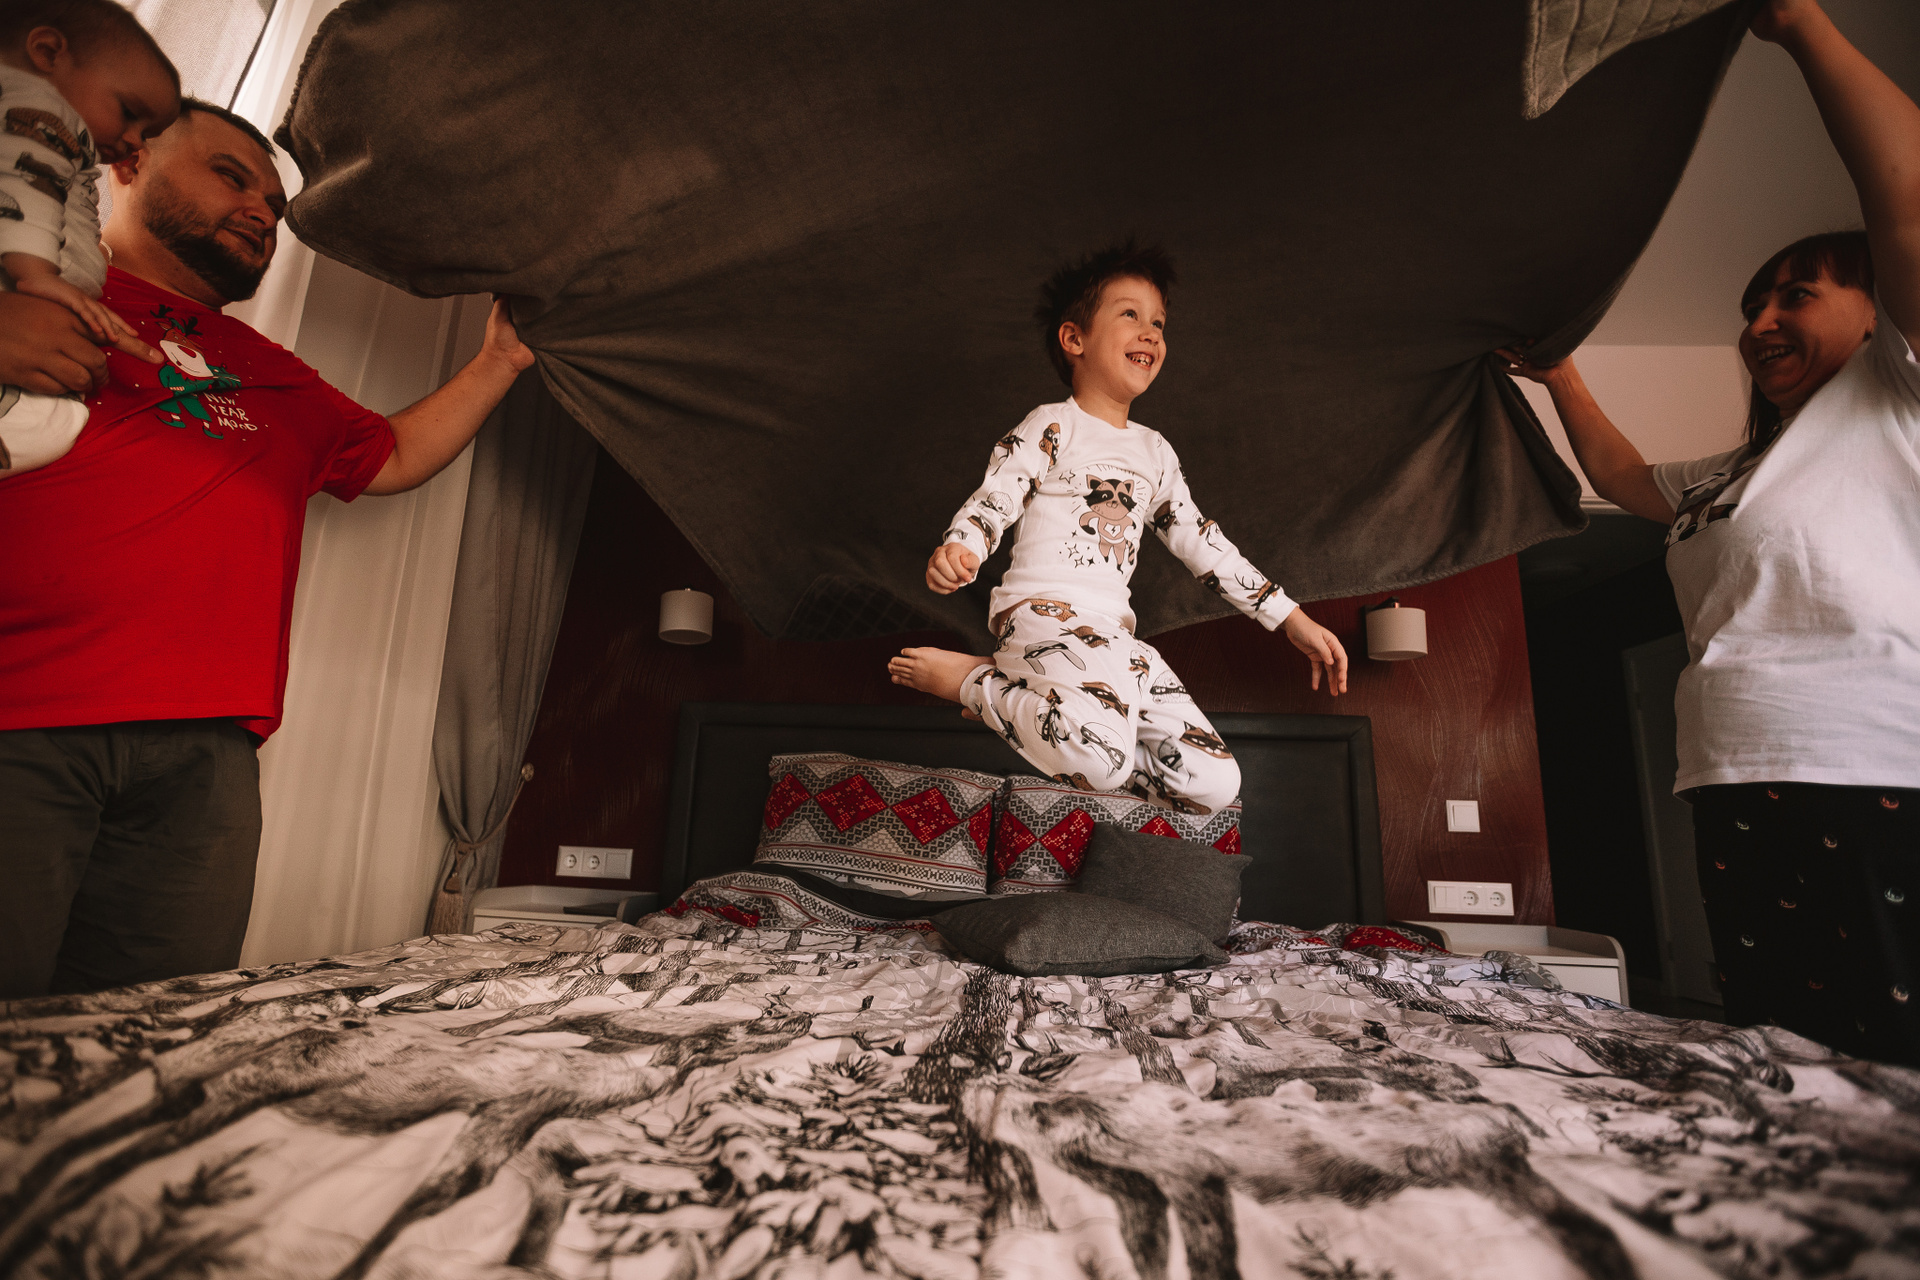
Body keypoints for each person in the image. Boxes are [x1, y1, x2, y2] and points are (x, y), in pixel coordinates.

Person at [0, 97, 537, 999]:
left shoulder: (273, 373)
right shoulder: (30, 299)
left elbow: (393, 455)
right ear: (128, 164)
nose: (262, 210)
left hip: (206, 757)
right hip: (21, 716)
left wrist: (499, 362)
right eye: (231, 176)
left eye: (276, 204)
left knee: (157, 1034)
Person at [1499, 0, 1919, 1065]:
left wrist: (1804, 26)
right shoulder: (1735, 473)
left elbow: (1909, 203)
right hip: (1730, 773)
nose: (1759, 322)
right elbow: (1624, 478)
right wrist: (1561, 375)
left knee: (1887, 1055)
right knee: (1780, 1054)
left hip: (1869, 769)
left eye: (1796, 295)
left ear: (1878, 314)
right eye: (1753, 304)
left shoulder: (1895, 400)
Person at [888, 244, 1348, 815]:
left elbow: (1203, 543)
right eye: (1130, 314)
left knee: (1211, 785)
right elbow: (1000, 491)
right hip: (1042, 617)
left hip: (1116, 641)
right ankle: (974, 682)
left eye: (1159, 323)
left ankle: (1038, 710)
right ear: (1074, 339)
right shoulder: (1054, 424)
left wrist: (1292, 619)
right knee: (1101, 766)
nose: (1150, 332)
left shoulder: (1155, 452)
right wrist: (964, 545)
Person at [0, 0, 180, 476]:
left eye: (147, 132)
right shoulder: (40, 108)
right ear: (47, 52)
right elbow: (26, 182)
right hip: (22, 283)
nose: (136, 141)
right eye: (129, 112)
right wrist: (37, 273)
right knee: (47, 428)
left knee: (50, 426)